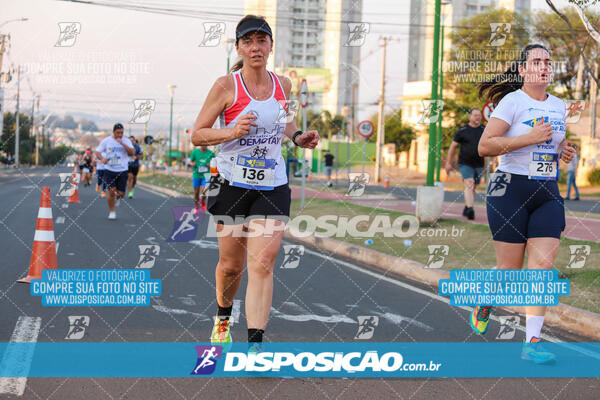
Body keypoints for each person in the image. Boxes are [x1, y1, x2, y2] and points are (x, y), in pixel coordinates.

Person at [191, 15, 319, 352]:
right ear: (239, 47)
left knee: (263, 262)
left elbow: (285, 119)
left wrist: (298, 137)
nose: (255, 47)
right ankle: (222, 316)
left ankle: (256, 345)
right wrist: (231, 131)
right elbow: (198, 134)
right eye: (248, 41)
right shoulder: (226, 86)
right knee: (231, 265)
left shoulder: (284, 85)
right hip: (230, 182)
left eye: (262, 40)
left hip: (272, 183)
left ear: (271, 46)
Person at [474, 44, 576, 364]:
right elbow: (485, 146)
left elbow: (553, 147)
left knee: (542, 268)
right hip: (510, 190)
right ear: (523, 70)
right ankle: (486, 300)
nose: (544, 66)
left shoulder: (560, 106)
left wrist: (565, 153)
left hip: (546, 192)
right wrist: (527, 139)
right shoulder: (512, 102)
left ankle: (532, 343)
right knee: (509, 271)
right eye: (537, 61)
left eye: (548, 61)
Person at [445, 109, 486, 220]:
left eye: (479, 116)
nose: (478, 117)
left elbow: (490, 144)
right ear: (470, 117)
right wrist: (448, 163)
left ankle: (467, 206)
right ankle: (470, 209)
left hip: (479, 164)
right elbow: (453, 147)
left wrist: (495, 158)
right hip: (465, 163)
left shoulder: (484, 130)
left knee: (473, 188)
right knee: (469, 183)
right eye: (475, 115)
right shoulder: (462, 131)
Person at [95, 123, 135, 219]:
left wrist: (122, 143)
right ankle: (112, 212)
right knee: (111, 191)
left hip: (122, 170)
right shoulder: (107, 141)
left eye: (121, 133)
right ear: (113, 132)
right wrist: (102, 159)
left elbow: (132, 152)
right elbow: (97, 151)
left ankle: (118, 198)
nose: (120, 135)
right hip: (109, 169)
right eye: (118, 133)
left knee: (121, 194)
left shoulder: (126, 141)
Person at [189, 145, 215, 213]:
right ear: (200, 144)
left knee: (205, 191)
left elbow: (215, 163)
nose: (204, 145)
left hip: (206, 174)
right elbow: (191, 162)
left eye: (205, 144)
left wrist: (210, 164)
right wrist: (192, 164)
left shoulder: (211, 153)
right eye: (202, 144)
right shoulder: (195, 152)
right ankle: (196, 206)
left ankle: (203, 201)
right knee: (196, 192)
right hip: (197, 174)